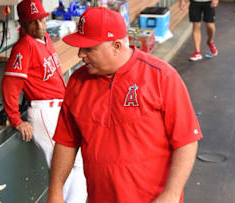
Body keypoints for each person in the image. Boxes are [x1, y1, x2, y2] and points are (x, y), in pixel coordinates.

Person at [48, 7, 203, 203]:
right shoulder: (77, 82)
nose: (80, 55)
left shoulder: (162, 77)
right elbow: (66, 141)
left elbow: (187, 141)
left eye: (90, 49)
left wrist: (171, 195)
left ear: (117, 46)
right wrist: (55, 192)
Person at [1, 0, 87, 202]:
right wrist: (16, 119)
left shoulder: (45, 38)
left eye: (41, 19)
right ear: (22, 23)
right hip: (44, 110)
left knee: (78, 162)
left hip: (58, 107)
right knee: (62, 166)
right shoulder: (23, 47)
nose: (39, 26)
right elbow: (10, 85)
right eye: (33, 22)